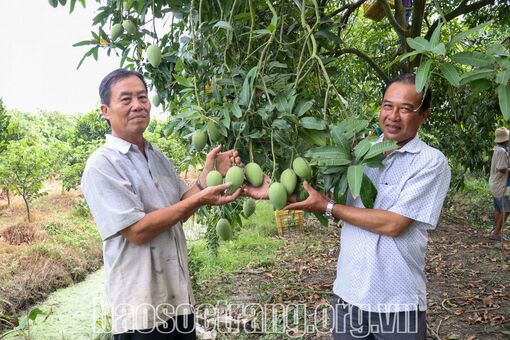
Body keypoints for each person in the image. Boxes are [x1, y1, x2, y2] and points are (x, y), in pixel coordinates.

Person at [278, 73, 451, 339]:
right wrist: (273, 189)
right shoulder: (360, 152)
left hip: (398, 303)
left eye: (405, 109)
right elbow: (324, 194)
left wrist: (329, 207)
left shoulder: (430, 162)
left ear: (424, 115)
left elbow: (393, 223)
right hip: (349, 296)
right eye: (387, 105)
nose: (393, 116)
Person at [81, 68, 242, 339]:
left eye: (142, 97)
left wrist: (205, 179)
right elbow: (137, 231)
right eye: (126, 99)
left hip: (179, 303)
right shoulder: (102, 164)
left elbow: (180, 207)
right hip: (140, 312)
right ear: (105, 110)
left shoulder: (157, 156)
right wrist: (201, 197)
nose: (137, 105)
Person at [488, 127, 510, 241]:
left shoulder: (499, 149)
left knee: (499, 209)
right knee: (506, 209)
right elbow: (501, 168)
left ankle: (497, 232)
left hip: (496, 183)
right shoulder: (502, 151)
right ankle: (496, 233)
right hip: (501, 185)